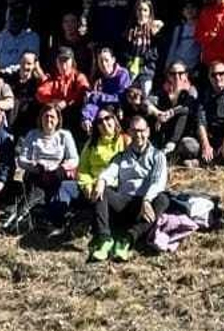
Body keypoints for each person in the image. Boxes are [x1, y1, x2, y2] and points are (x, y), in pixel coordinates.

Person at [90, 113, 170, 260]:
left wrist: (146, 200)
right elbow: (109, 172)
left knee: (163, 199)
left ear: (148, 131)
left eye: (141, 131)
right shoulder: (121, 157)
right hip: (124, 203)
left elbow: (158, 181)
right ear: (129, 133)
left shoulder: (158, 156)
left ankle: (127, 239)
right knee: (103, 191)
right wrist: (101, 181)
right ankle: (104, 239)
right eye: (134, 131)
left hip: (145, 205)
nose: (138, 135)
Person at [12, 101, 80, 230]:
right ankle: (23, 215)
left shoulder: (65, 135)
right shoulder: (32, 134)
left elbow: (74, 159)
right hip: (37, 172)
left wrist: (62, 167)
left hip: (57, 174)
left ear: (58, 119)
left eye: (52, 116)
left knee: (55, 193)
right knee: (34, 194)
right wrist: (33, 165)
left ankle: (50, 215)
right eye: (46, 116)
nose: (49, 119)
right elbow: (22, 159)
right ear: (41, 118)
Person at [146, 62, 203, 157]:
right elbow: (147, 102)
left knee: (184, 112)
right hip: (164, 132)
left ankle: (171, 147)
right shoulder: (163, 90)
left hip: (184, 135)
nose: (177, 76)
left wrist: (171, 112)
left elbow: (188, 105)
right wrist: (158, 114)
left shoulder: (191, 90)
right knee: (148, 111)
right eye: (173, 74)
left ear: (186, 75)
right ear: (168, 76)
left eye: (180, 73)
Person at [76, 107, 127, 201]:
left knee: (102, 194)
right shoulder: (91, 143)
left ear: (114, 120)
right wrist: (87, 184)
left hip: (117, 187)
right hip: (92, 185)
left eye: (107, 118)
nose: (104, 123)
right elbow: (83, 168)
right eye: (99, 121)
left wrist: (103, 182)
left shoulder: (126, 141)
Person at [80, 48, 133, 134]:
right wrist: (86, 117)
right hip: (103, 113)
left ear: (113, 60)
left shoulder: (122, 74)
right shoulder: (99, 80)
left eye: (106, 60)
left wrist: (99, 96)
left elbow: (121, 97)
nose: (104, 64)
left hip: (122, 110)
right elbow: (93, 102)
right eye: (101, 61)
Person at [0, 2, 41, 76]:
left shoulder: (32, 38)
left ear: (25, 19)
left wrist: (11, 71)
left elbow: (31, 62)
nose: (14, 22)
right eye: (12, 17)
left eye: (18, 19)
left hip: (22, 76)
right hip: (0, 76)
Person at [159, 0, 204, 83]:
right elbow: (173, 47)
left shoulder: (201, 27)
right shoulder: (179, 28)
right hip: (176, 66)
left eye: (192, 7)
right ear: (183, 12)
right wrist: (167, 66)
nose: (189, 10)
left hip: (191, 68)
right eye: (186, 8)